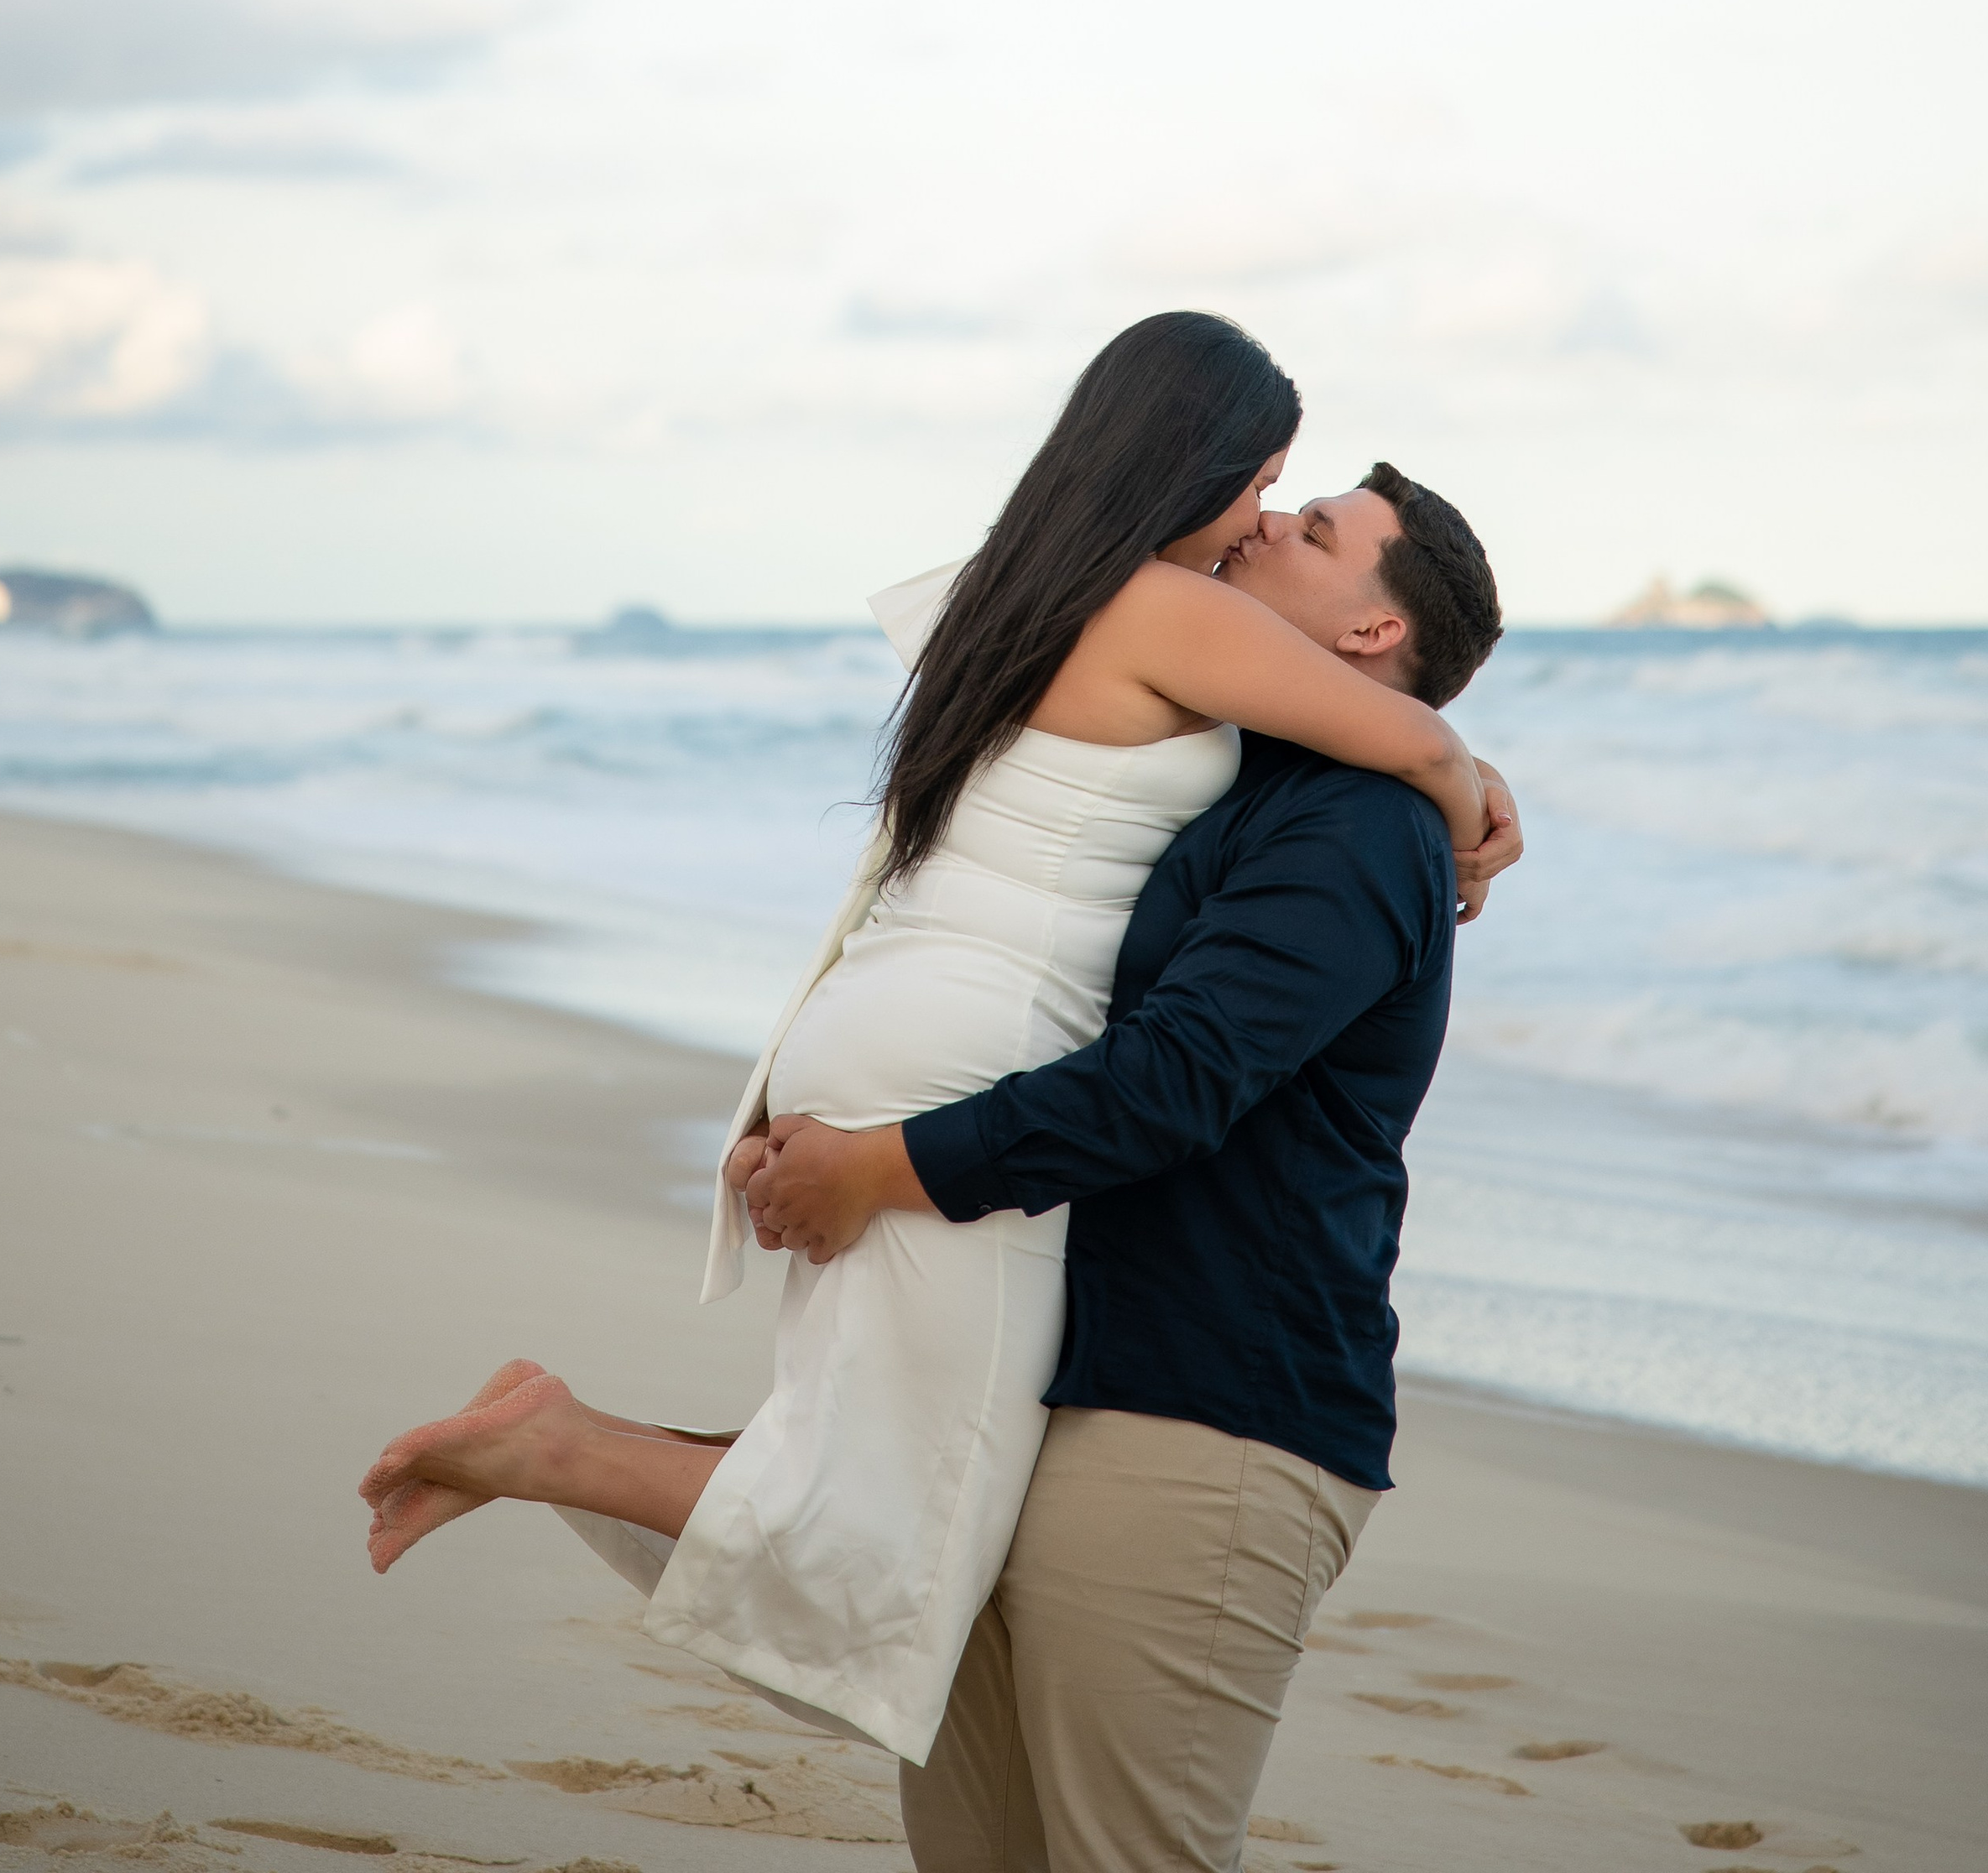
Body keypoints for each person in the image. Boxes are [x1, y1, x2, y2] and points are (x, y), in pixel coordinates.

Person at [357, 315, 1516, 1776]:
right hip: (967, 1051)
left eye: (1303, 508)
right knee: (908, 1503)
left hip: (877, 1018)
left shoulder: (1020, 589)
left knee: (873, 1452)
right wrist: (1473, 802)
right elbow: (1408, 743)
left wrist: (1453, 774)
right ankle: (561, 1445)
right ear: (1198, 459)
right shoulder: (1173, 609)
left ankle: (570, 1435)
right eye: (1269, 480)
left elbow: (1372, 729)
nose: (1264, 517)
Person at [738, 462, 1506, 1872]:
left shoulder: (1363, 829)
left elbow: (1172, 1085)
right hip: (1055, 1386)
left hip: (1210, 1421)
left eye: (1316, 527)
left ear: (1374, 636)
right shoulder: (1216, 766)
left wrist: (883, 1165)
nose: (1268, 518)